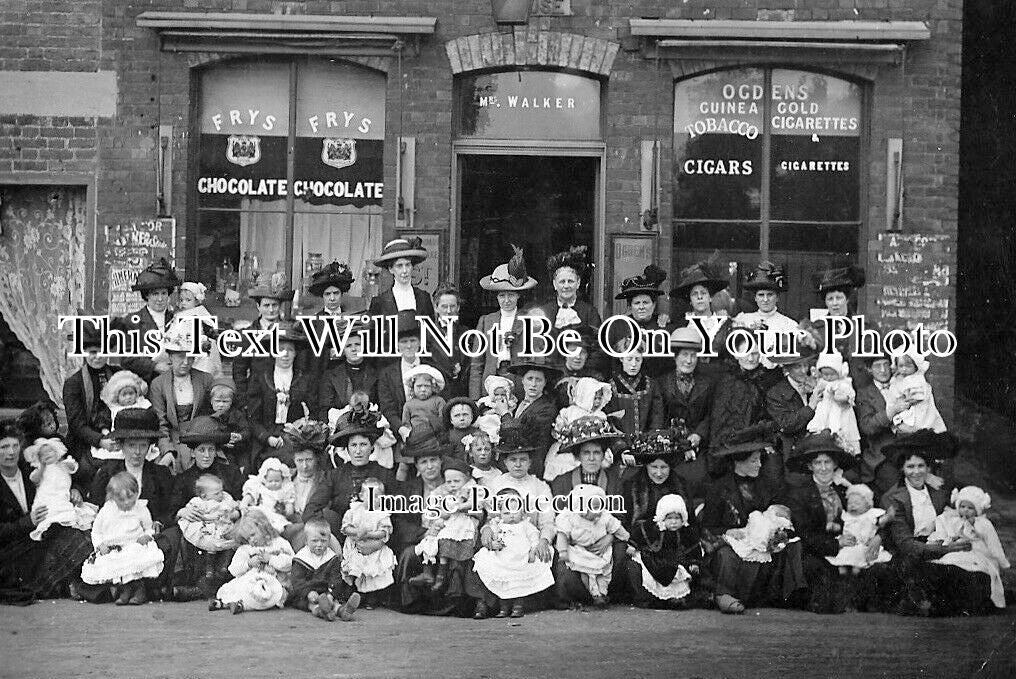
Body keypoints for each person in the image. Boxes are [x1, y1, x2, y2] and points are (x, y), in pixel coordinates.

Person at [880, 430, 992, 616]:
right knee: (931, 573)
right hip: (914, 552)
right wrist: (945, 550)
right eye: (910, 467)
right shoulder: (892, 498)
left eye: (921, 466)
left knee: (974, 572)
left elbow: (955, 517)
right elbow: (905, 544)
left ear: (928, 467)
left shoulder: (938, 491)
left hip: (942, 542)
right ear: (902, 469)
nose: (916, 472)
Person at [699, 426, 806, 614]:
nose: (759, 465)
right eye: (754, 460)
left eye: (759, 460)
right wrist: (726, 532)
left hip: (763, 541)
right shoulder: (719, 488)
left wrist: (776, 530)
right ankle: (724, 595)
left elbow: (780, 511)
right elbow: (708, 526)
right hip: (733, 542)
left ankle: (790, 595)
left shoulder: (766, 484)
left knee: (789, 547)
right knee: (727, 556)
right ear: (738, 462)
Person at [782, 432, 884, 614]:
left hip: (853, 545)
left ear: (835, 464)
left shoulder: (847, 489)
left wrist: (876, 538)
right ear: (810, 466)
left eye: (827, 462)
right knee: (825, 584)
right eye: (817, 463)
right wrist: (836, 543)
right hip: (817, 550)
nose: (823, 468)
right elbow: (804, 533)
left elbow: (869, 516)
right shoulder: (799, 494)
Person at [88, 408, 179, 601]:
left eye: (143, 445)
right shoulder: (107, 472)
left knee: (170, 538)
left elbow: (170, 509)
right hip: (116, 534)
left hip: (145, 535)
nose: (137, 452)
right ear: (121, 445)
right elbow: (96, 507)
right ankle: (125, 587)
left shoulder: (160, 474)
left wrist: (158, 523)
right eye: (131, 445)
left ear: (150, 447)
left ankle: (139, 587)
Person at [0, 420, 93, 601]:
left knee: (82, 535)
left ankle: (69, 582)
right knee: (70, 540)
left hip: (41, 534)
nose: (11, 452)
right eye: (4, 447)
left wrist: (75, 490)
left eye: (14, 446)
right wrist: (27, 522)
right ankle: (61, 583)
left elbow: (61, 476)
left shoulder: (32, 469)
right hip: (12, 548)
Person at [303, 407, 394, 539]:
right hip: (341, 538)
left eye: (363, 445)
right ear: (347, 449)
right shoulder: (334, 476)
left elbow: (397, 515)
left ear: (372, 447)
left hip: (376, 539)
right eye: (353, 445)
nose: (358, 451)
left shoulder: (384, 475)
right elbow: (311, 509)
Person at [80, 471, 166, 605]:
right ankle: (125, 590)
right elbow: (96, 531)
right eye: (121, 499)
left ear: (137, 493)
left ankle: (139, 590)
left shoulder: (141, 508)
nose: (126, 502)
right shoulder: (106, 511)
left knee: (134, 557)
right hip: (114, 548)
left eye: (130, 497)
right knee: (115, 562)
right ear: (112, 497)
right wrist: (100, 544)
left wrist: (147, 535)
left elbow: (149, 527)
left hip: (134, 544)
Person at [471, 487, 555, 619]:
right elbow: (491, 538)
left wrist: (533, 550)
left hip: (520, 557)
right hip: (503, 557)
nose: (511, 516)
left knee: (518, 582)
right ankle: (503, 608)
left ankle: (518, 607)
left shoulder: (525, 524)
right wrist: (493, 544)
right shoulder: (497, 524)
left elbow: (534, 537)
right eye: (507, 512)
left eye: (515, 511)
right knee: (502, 578)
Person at [245, 323, 318, 468]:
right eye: (280, 349)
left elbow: (314, 412)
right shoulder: (260, 378)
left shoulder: (305, 379)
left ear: (295, 353)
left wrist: (301, 431)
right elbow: (253, 418)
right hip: (266, 440)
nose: (285, 354)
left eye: (290, 350)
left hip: (297, 440)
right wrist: (267, 438)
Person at [470, 246, 536, 400]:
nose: (506, 300)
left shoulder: (529, 321)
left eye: (511, 295)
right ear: (497, 297)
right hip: (491, 381)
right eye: (502, 295)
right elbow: (477, 364)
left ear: (518, 296)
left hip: (518, 383)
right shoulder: (486, 321)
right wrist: (475, 397)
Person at [928, 485, 1010, 610]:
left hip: (978, 553)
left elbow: (994, 544)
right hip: (958, 551)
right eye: (962, 507)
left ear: (978, 510)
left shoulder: (983, 524)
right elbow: (947, 536)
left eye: (970, 508)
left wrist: (1002, 563)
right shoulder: (953, 520)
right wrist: (949, 540)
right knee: (950, 560)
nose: (965, 510)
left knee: (971, 566)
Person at [148, 324, 215, 471]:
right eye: (180, 356)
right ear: (170, 356)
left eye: (190, 357)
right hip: (172, 440)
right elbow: (161, 423)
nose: (186, 362)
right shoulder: (158, 384)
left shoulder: (205, 379)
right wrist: (167, 450)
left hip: (201, 440)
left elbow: (212, 415)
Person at [554, 484, 631, 609]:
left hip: (600, 551)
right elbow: (562, 535)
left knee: (603, 574)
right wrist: (563, 552)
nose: (598, 512)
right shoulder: (571, 518)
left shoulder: (604, 517)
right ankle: (592, 595)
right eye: (594, 508)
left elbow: (616, 528)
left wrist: (624, 536)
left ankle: (602, 593)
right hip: (579, 551)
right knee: (585, 574)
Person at [411, 457, 481, 593]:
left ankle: (441, 577)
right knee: (430, 540)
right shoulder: (443, 491)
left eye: (456, 481)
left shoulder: (471, 489)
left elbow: (476, 504)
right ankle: (428, 572)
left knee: (445, 539)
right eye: (449, 482)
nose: (453, 485)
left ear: (466, 478)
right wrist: (441, 514)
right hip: (448, 524)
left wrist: (459, 506)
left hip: (464, 526)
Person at [660, 326, 715, 497]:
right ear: (675, 356)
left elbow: (711, 414)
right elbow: (658, 416)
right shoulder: (662, 383)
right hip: (670, 446)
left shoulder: (707, 383)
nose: (689, 360)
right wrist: (676, 440)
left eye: (693, 356)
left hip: (698, 447)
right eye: (685, 355)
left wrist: (699, 435)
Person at [625, 493, 703, 609]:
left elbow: (693, 548)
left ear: (683, 519)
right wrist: (633, 545)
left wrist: (694, 562)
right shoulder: (653, 528)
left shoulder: (687, 533)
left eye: (677, 518)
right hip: (655, 560)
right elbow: (639, 534)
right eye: (669, 518)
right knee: (644, 573)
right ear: (662, 518)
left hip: (676, 562)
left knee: (678, 577)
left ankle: (674, 598)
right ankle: (650, 598)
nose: (673, 522)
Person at [63, 324, 119, 482]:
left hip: (116, 438)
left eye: (102, 352)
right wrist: (100, 440)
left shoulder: (117, 374)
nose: (98, 357)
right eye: (93, 352)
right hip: (85, 443)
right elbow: (76, 424)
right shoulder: (74, 383)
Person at [210, 509, 294, 614]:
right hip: (249, 580)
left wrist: (271, 559)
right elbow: (233, 569)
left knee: (267, 594)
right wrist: (248, 564)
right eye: (248, 538)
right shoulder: (246, 549)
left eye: (253, 535)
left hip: (273, 582)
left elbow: (291, 563)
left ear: (263, 526)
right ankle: (224, 603)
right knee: (233, 588)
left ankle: (241, 605)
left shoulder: (280, 543)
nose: (251, 540)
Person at [367, 238, 436, 362]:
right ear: (391, 269)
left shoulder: (423, 298)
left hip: (419, 364)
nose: (404, 271)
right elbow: (373, 341)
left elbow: (430, 335)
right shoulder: (380, 301)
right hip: (389, 366)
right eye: (399, 266)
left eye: (408, 265)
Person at [495, 355, 561, 479]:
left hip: (531, 465)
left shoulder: (547, 408)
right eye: (530, 379)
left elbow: (520, 436)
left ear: (545, 383)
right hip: (510, 464)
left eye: (538, 380)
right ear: (522, 380)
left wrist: (505, 414)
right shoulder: (518, 403)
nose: (533, 384)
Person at [620, 425, 694, 530]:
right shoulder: (631, 486)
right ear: (646, 466)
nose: (659, 473)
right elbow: (625, 525)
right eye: (654, 467)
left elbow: (691, 525)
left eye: (663, 467)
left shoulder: (682, 485)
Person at [117, 257, 179, 384]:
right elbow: (127, 358)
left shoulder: (176, 319)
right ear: (147, 295)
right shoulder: (132, 321)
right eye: (155, 294)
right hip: (143, 383)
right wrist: (154, 366)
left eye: (164, 293)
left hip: (173, 382)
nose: (160, 299)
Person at [22, 437, 96, 541]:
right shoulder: (41, 470)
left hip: (62, 495)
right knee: (50, 512)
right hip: (47, 497)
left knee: (66, 510)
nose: (47, 455)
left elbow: (73, 469)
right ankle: (49, 529)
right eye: (43, 454)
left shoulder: (62, 465)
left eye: (50, 452)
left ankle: (68, 526)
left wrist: (67, 463)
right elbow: (34, 479)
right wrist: (42, 467)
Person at [669, 259, 732, 378]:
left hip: (719, 380)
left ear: (710, 297)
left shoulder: (725, 324)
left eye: (703, 293)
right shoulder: (682, 325)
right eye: (694, 294)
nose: (699, 297)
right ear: (690, 301)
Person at [340, 477, 397, 607]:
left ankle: (371, 597)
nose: (373, 499)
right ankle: (353, 594)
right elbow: (345, 527)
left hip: (375, 546)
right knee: (355, 566)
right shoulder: (354, 510)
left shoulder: (382, 513)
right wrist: (356, 532)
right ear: (361, 495)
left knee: (373, 569)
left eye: (377, 496)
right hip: (356, 545)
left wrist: (369, 534)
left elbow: (384, 532)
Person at [607, 264, 672, 378]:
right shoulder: (619, 326)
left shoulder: (663, 326)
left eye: (646, 302)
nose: (641, 307)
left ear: (654, 304)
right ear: (630, 306)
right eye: (637, 303)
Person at [290, 517, 359, 621]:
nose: (319, 545)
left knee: (334, 602)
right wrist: (308, 592)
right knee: (311, 604)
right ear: (306, 541)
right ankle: (321, 611)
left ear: (329, 540)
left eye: (323, 541)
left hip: (326, 591)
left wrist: (331, 594)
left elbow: (336, 578)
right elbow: (297, 581)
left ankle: (343, 611)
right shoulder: (301, 558)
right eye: (314, 541)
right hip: (307, 594)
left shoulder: (331, 557)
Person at [544, 377, 613, 482]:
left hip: (592, 450)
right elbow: (558, 431)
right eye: (594, 398)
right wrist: (565, 432)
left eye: (599, 398)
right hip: (570, 449)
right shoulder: (570, 412)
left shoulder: (601, 415)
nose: (597, 402)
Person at [734, 262, 799, 372]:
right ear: (755, 298)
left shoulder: (789, 325)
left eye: (770, 295)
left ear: (777, 297)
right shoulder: (743, 320)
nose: (765, 300)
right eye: (761, 295)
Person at [231, 284, 294, 397]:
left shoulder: (290, 331)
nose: (271, 310)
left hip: (285, 389)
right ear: (258, 307)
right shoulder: (247, 335)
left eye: (274, 305)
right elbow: (239, 372)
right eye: (266, 305)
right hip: (257, 394)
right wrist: (244, 399)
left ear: (280, 307)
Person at [853, 353, 900, 497]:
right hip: (882, 456)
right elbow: (867, 426)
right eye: (877, 366)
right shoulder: (864, 394)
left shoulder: (901, 385)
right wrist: (889, 413)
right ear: (869, 369)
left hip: (907, 450)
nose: (883, 370)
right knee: (896, 491)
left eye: (886, 364)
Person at [825, 484, 894, 575]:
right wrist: (834, 526)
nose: (853, 506)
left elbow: (881, 523)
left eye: (857, 503)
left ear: (868, 505)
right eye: (850, 503)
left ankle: (856, 573)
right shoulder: (846, 516)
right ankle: (843, 573)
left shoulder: (871, 515)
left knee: (858, 565)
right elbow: (840, 527)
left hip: (864, 546)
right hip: (848, 546)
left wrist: (887, 517)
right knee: (842, 563)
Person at [606, 337, 666, 439]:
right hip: (620, 442)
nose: (633, 364)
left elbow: (657, 417)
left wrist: (651, 439)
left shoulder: (651, 385)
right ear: (621, 358)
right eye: (629, 359)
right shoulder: (610, 386)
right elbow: (610, 421)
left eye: (638, 359)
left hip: (646, 442)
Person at [305, 260, 357, 374]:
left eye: (336, 293)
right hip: (322, 375)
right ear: (322, 296)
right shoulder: (314, 323)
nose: (332, 298)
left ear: (342, 294)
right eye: (328, 294)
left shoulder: (352, 320)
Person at [90, 370, 154, 464]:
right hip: (118, 442)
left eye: (131, 393)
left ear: (136, 394)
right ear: (117, 396)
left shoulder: (142, 405)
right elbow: (104, 423)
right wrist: (106, 434)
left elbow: (151, 421)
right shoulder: (113, 409)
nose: (128, 397)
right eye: (124, 394)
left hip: (140, 439)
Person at [161, 281, 222, 377]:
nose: (184, 303)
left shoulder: (199, 312)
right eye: (182, 300)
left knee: (199, 369)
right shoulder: (178, 313)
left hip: (194, 341)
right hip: (179, 343)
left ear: (197, 301)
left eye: (188, 300)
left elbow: (210, 324)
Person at [317, 325, 379, 419]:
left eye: (358, 344)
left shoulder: (376, 374)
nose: (354, 349)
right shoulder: (331, 376)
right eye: (348, 346)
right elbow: (324, 409)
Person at [806, 352, 861, 456]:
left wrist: (841, 398)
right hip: (824, 412)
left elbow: (850, 396)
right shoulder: (821, 382)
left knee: (842, 434)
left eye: (832, 374)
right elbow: (815, 392)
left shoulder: (844, 383)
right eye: (825, 374)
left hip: (841, 412)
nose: (829, 377)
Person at [886, 349, 947, 434]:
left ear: (916, 366)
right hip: (906, 410)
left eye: (908, 366)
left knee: (921, 426)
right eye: (901, 366)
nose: (904, 369)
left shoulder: (917, 379)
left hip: (919, 412)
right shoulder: (898, 380)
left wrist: (903, 397)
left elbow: (916, 397)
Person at [429, 283, 471, 397]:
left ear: (458, 307)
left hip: (460, 395)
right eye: (444, 306)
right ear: (436, 308)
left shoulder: (467, 334)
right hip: (435, 396)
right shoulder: (426, 334)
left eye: (452, 306)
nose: (448, 311)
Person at [206, 377, 251, 471]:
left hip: (237, 450)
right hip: (217, 450)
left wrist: (240, 436)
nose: (221, 405)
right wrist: (222, 441)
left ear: (231, 402)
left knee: (244, 467)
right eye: (217, 401)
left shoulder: (237, 415)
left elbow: (246, 430)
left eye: (225, 402)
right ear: (211, 401)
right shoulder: (207, 417)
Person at [242, 458, 296, 535]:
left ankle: (274, 533)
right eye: (270, 481)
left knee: (279, 524)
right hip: (262, 511)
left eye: (277, 481)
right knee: (255, 519)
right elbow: (251, 494)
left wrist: (289, 508)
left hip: (276, 514)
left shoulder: (284, 490)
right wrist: (245, 502)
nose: (274, 483)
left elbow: (288, 500)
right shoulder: (260, 487)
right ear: (264, 479)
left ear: (282, 479)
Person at [398, 364, 447, 444]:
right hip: (416, 439)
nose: (423, 389)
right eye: (419, 386)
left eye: (427, 386)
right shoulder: (408, 405)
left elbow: (443, 421)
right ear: (412, 387)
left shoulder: (439, 401)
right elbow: (406, 424)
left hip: (435, 439)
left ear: (433, 387)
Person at [464, 415, 502, 488]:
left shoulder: (498, 473)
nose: (483, 453)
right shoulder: (469, 473)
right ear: (471, 453)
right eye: (479, 450)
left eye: (487, 449)